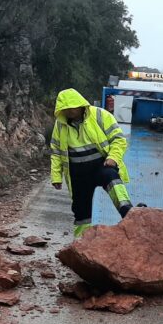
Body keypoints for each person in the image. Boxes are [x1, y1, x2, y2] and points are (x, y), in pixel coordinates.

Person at [50, 88, 134, 237]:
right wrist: (56, 176)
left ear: (80, 104)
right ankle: (81, 242)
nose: (69, 112)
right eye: (65, 109)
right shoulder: (60, 124)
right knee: (80, 210)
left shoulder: (100, 115)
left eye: (71, 108)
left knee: (112, 178)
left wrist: (113, 158)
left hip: (101, 166)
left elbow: (118, 139)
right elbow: (56, 151)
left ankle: (129, 213)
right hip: (78, 175)